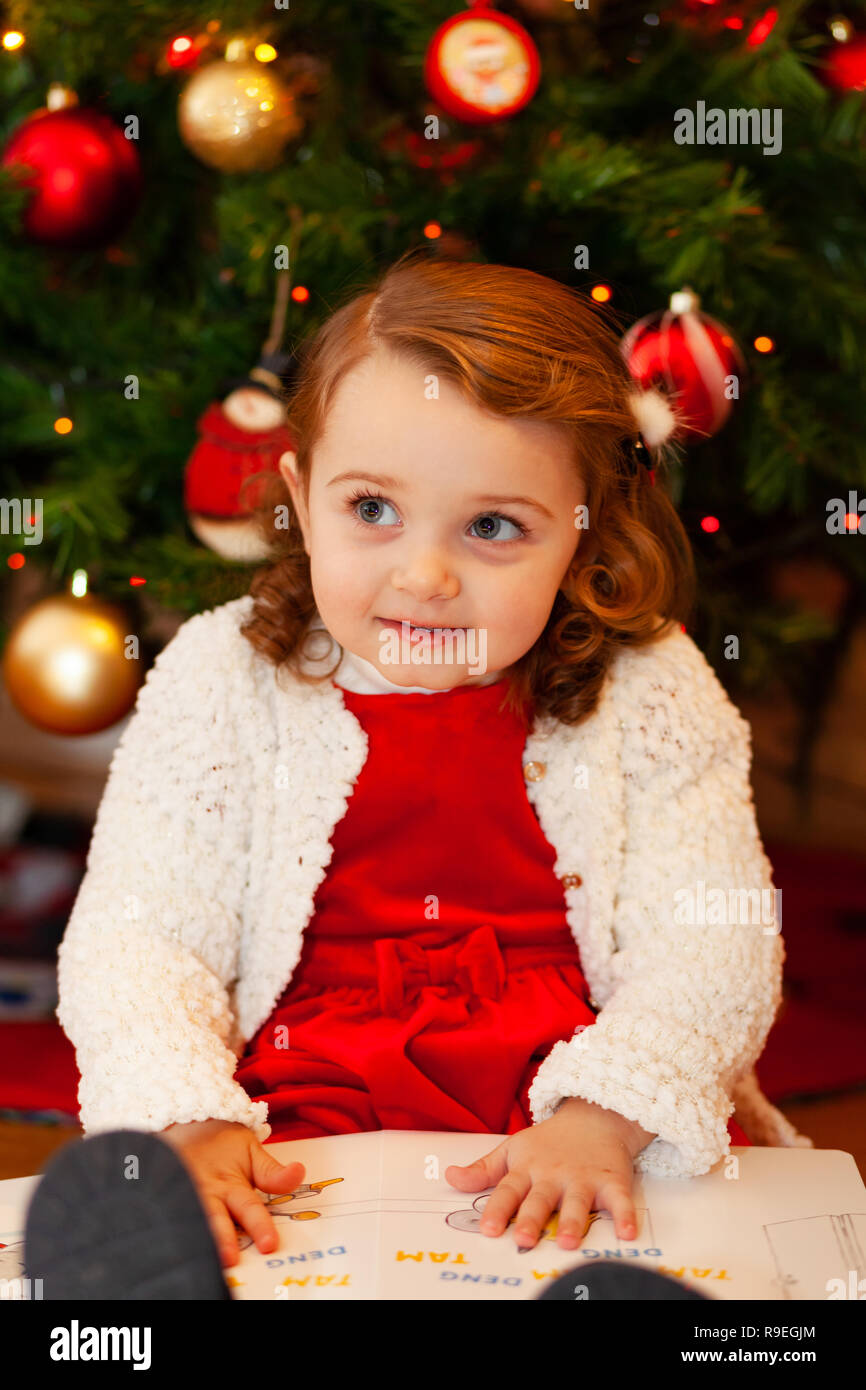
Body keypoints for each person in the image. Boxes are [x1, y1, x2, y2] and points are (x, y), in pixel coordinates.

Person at [54, 249, 811, 1289]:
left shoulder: (649, 686)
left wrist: (608, 1111)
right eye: (371, 509)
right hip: (309, 1079)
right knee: (243, 1233)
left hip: (578, 1077)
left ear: (585, 533)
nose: (423, 575)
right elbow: (140, 934)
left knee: (632, 1219)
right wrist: (184, 1113)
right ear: (299, 489)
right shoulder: (225, 675)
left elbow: (714, 935)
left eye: (493, 526)